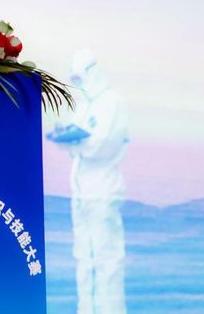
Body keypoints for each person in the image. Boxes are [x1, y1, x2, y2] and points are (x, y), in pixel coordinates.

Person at [47, 49, 129, 314]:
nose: (78, 82)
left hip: (103, 191)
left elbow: (104, 143)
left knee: (107, 259)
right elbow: (76, 142)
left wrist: (79, 143)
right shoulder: (84, 105)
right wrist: (70, 139)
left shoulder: (112, 102)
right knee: (84, 258)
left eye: (80, 76)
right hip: (81, 193)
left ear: (92, 72)